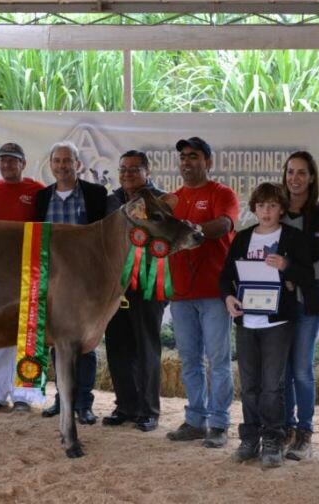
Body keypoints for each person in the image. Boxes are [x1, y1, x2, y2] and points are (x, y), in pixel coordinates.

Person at [220, 182, 314, 468]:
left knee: (272, 385)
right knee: (249, 384)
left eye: (272, 205)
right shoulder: (243, 237)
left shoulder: (293, 237)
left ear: (282, 208)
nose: (266, 211)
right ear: (254, 208)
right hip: (247, 320)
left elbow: (308, 275)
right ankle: (250, 438)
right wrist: (227, 297)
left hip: (278, 321)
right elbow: (226, 275)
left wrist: (286, 266)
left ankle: (273, 438)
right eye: (261, 205)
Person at [166, 137, 239, 449]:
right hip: (181, 293)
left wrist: (191, 231)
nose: (186, 162)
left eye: (193, 156)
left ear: (208, 162)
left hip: (214, 292)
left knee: (219, 360)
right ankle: (196, 420)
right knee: (189, 360)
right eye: (183, 157)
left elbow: (225, 224)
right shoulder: (171, 199)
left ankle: (219, 423)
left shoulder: (222, 193)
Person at [35, 141, 107, 425]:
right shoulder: (41, 198)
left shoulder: (96, 194)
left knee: (84, 344)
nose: (62, 166)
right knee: (56, 342)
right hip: (51, 282)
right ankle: (61, 399)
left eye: (68, 161)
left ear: (78, 165)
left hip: (86, 282)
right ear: (50, 165)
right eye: (57, 161)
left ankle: (84, 403)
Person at [0, 142, 44, 414]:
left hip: (30, 272)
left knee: (28, 332)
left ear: (23, 164)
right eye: (3, 161)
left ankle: (24, 396)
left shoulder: (37, 191)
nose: (7, 165)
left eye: (12, 161)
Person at [103, 150, 166, 433]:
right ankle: (125, 406)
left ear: (147, 171)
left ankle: (148, 410)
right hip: (117, 285)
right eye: (123, 169)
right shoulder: (111, 200)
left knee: (146, 347)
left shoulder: (161, 200)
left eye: (134, 169)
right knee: (117, 345)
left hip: (149, 283)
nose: (128, 174)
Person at [280, 151, 319, 461]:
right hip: (276, 304)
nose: (295, 178)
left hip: (307, 303)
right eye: (290, 172)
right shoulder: (276, 212)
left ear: (311, 177)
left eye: (302, 172)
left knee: (301, 370)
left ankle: (305, 432)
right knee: (282, 371)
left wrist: (298, 277)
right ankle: (284, 429)